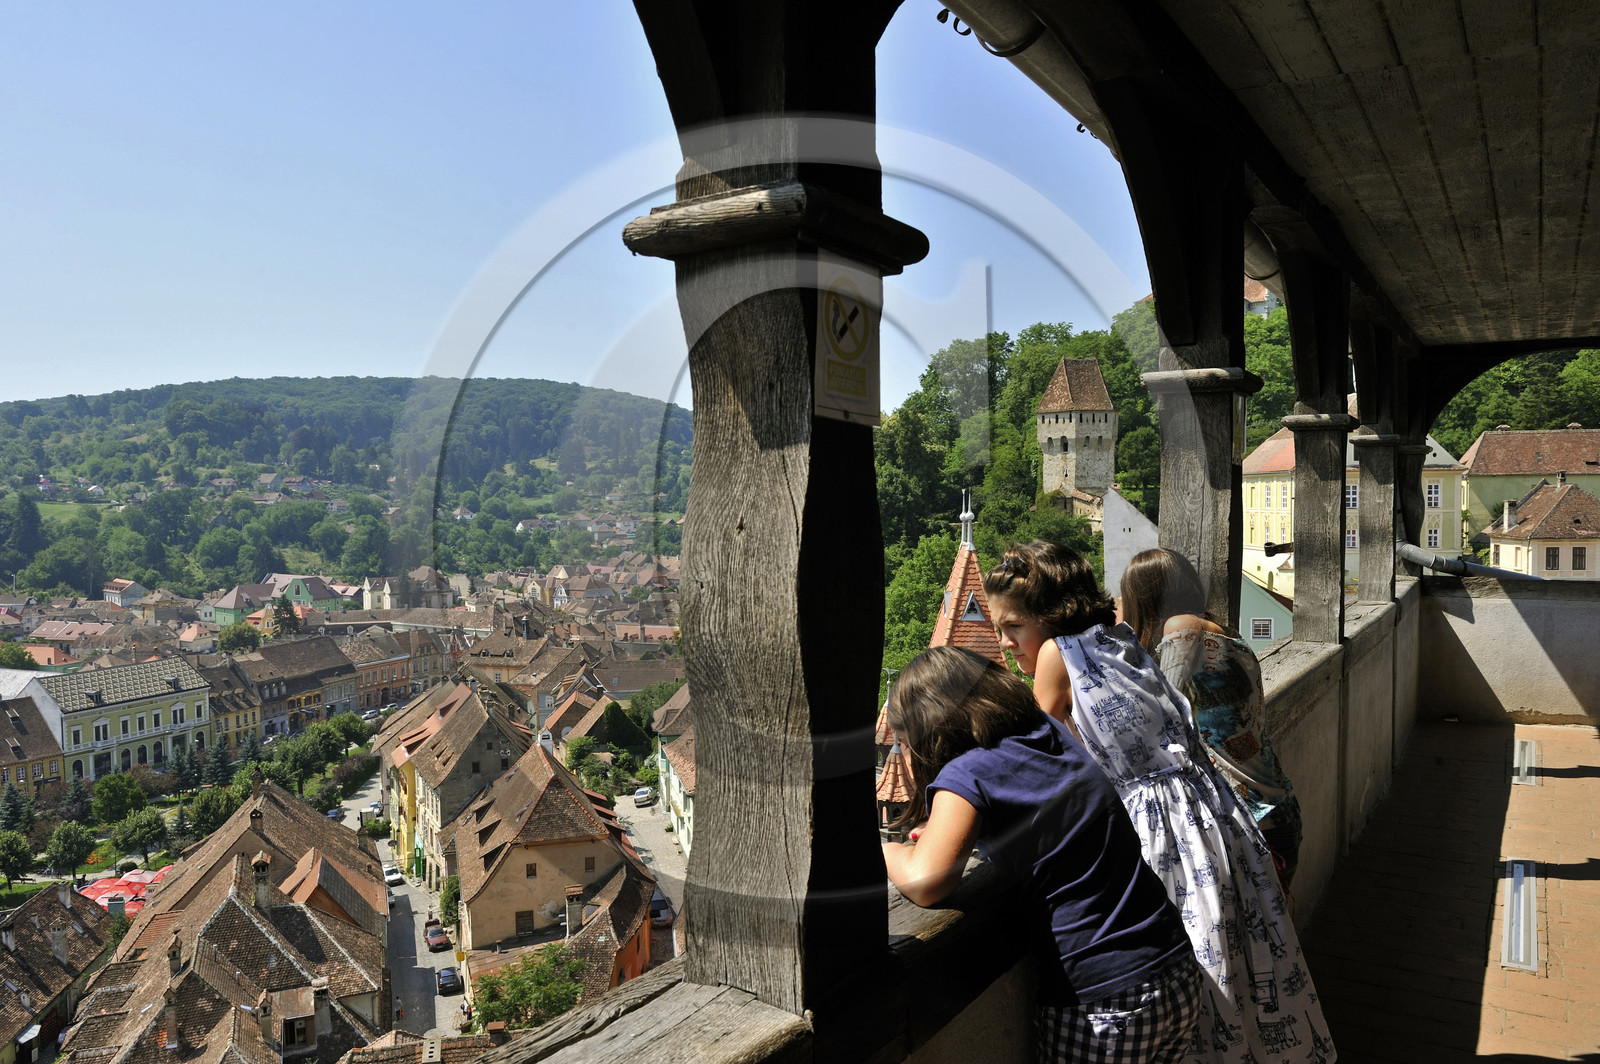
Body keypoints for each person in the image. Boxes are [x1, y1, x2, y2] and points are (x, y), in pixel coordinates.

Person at [982, 541, 1335, 1064]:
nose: (1004, 642)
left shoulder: (1058, 654)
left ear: (1049, 615)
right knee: (1237, 971)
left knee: (1202, 969)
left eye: (1012, 626)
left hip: (1163, 833)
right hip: (1209, 815)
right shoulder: (1118, 636)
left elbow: (1033, 760)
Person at [881, 645, 1201, 1064]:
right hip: (1173, 965)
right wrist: (953, 828)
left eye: (905, 743)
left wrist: (884, 848)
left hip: (1105, 1001)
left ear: (929, 733)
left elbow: (926, 881)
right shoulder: (1049, 733)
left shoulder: (967, 772)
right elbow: (1041, 811)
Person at [1119, 548, 1303, 884]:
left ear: (1144, 599)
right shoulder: (1227, 633)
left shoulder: (1182, 627)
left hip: (1248, 827)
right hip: (1275, 815)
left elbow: (1160, 720)